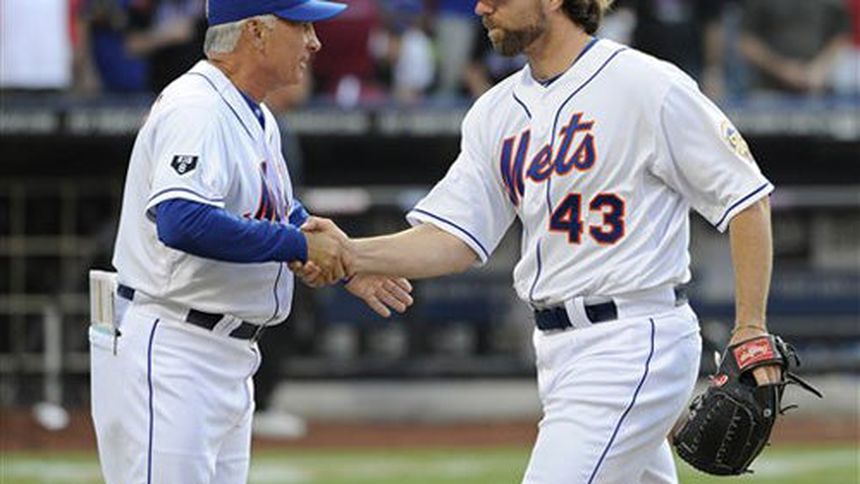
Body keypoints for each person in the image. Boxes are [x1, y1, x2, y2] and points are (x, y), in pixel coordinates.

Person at [298, 0, 782, 482]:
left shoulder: (646, 85)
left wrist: (750, 327)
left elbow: (745, 197)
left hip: (632, 339)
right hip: (557, 350)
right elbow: (453, 238)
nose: (481, 6)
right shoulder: (495, 112)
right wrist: (351, 253)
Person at [90, 1, 413, 482]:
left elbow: (275, 210)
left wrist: (344, 260)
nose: (314, 41)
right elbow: (181, 221)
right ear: (256, 32)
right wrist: (299, 246)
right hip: (174, 346)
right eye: (300, 25)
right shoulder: (197, 107)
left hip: (224, 354)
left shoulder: (254, 113)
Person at [739, 0, 851, 95]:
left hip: (816, 90)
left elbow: (840, 34)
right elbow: (746, 41)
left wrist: (820, 67)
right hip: (770, 92)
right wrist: (783, 69)